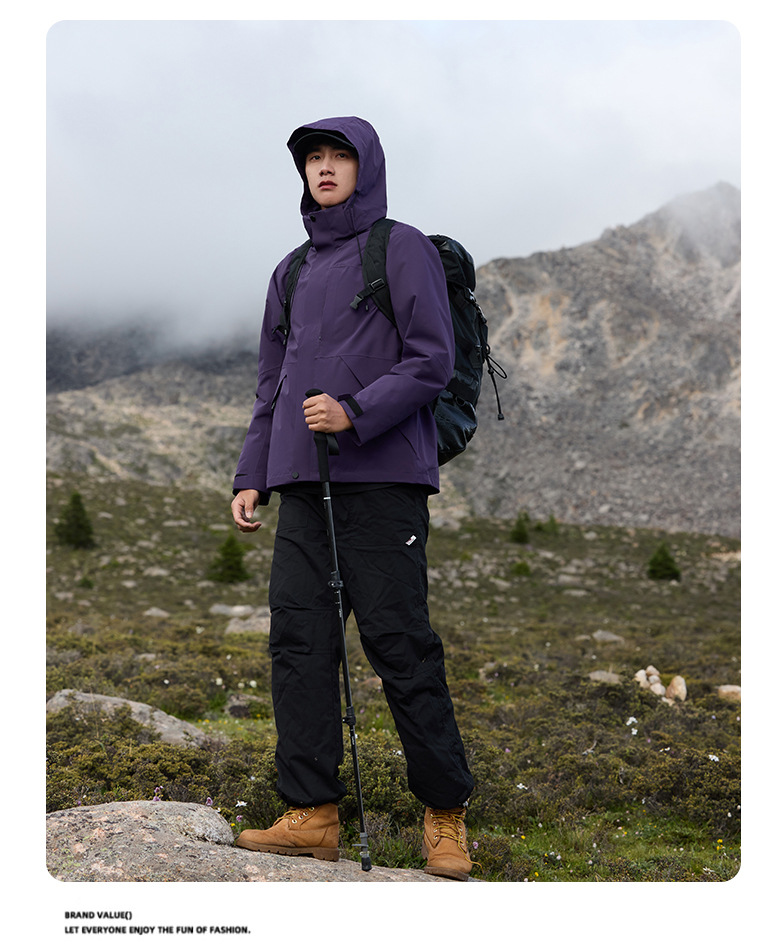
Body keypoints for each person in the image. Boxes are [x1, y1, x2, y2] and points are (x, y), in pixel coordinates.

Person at [230, 116, 475, 880]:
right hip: (304, 485)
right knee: (298, 643)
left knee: (400, 644)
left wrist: (354, 411)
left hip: (384, 481)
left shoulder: (401, 247)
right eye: (314, 157)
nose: (325, 167)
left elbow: (432, 359)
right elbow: (271, 382)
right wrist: (251, 472)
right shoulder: (290, 270)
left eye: (340, 155)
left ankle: (445, 814)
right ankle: (312, 813)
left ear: (366, 167)